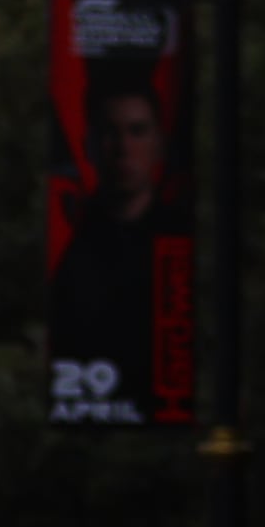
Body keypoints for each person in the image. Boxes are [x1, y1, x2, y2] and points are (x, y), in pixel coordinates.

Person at [46, 66, 184, 421]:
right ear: (90, 146)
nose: (124, 148)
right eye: (111, 133)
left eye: (137, 131)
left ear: (159, 143)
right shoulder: (71, 254)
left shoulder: (177, 238)